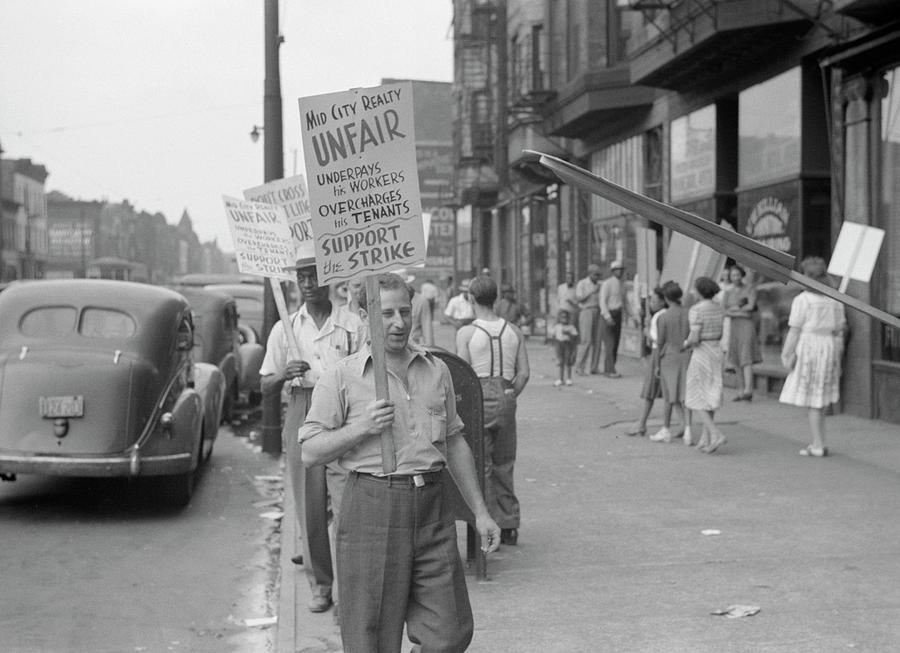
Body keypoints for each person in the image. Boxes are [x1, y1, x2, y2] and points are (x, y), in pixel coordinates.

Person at [299, 272, 500, 652]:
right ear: (363, 314)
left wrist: (480, 511)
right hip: (372, 509)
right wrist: (361, 428)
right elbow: (310, 451)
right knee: (370, 636)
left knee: (451, 631)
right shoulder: (341, 377)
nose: (398, 323)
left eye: (404, 312)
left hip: (431, 508)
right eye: (386, 313)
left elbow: (455, 441)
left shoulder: (435, 369)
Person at [259, 260, 362, 613]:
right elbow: (264, 384)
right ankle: (321, 586)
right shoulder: (284, 329)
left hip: (345, 411)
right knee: (311, 506)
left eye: (314, 275)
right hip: (303, 409)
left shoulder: (351, 324)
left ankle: (353, 589)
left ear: (329, 277)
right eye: (301, 277)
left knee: (350, 504)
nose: (307, 283)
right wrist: (284, 375)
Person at [456, 275, 530, 546]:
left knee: (480, 464)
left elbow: (463, 374)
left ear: (471, 299)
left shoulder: (466, 333)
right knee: (504, 462)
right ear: (496, 298)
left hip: (479, 394)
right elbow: (524, 373)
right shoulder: (514, 331)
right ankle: (509, 523)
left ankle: (487, 524)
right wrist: (508, 395)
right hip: (508, 393)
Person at [779, 256, 847, 457]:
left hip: (810, 346)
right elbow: (840, 328)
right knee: (820, 397)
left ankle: (818, 444)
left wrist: (786, 353)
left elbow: (794, 330)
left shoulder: (803, 300)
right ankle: (818, 441)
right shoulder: (835, 299)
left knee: (814, 400)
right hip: (829, 346)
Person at [683, 276, 727, 453]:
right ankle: (705, 437)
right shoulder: (719, 308)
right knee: (711, 392)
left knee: (696, 395)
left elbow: (694, 337)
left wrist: (685, 344)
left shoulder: (696, 310)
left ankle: (716, 434)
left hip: (701, 352)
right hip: (716, 351)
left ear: (700, 291)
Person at [651, 281, 691, 443]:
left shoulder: (664, 317)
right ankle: (688, 429)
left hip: (669, 356)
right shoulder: (689, 313)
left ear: (666, 298)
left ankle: (666, 428)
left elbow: (660, 342)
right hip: (686, 355)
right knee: (686, 396)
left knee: (669, 396)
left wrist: (656, 364)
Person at [626, 287, 667, 436]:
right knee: (669, 393)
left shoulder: (658, 317)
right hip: (666, 354)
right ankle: (683, 424)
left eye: (654, 300)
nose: (651, 304)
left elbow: (655, 339)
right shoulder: (664, 314)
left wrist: (647, 329)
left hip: (658, 353)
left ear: (663, 301)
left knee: (651, 390)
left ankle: (642, 423)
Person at [722, 264, 761, 401]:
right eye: (733, 275)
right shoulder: (728, 291)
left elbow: (751, 307)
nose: (735, 278)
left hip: (747, 326)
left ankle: (748, 389)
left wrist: (733, 311)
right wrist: (741, 311)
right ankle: (740, 389)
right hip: (735, 327)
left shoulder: (749, 289)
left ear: (742, 275)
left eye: (737, 275)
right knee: (736, 357)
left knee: (746, 357)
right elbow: (723, 310)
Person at [598, 260, 627, 378]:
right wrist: (607, 316)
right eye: (617, 270)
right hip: (609, 314)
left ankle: (611, 367)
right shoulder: (607, 284)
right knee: (609, 343)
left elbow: (625, 302)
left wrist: (633, 315)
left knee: (615, 343)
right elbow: (602, 301)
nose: (619, 272)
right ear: (613, 271)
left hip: (618, 314)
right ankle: (609, 370)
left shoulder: (622, 285)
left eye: (620, 269)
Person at [574, 264, 603, 375]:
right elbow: (579, 299)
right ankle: (579, 366)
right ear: (590, 274)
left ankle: (594, 367)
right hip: (586, 310)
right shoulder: (582, 283)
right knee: (586, 340)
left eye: (599, 275)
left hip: (597, 310)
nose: (597, 277)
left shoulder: (600, 285)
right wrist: (592, 291)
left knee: (597, 341)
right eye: (595, 275)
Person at [550, 308, 578, 387]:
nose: (564, 319)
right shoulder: (557, 326)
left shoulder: (571, 327)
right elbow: (551, 332)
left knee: (568, 361)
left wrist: (569, 334)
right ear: (559, 318)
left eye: (566, 317)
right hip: (559, 344)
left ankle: (569, 378)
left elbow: (575, 336)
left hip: (567, 345)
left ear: (568, 318)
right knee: (561, 362)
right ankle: (560, 379)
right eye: (562, 317)